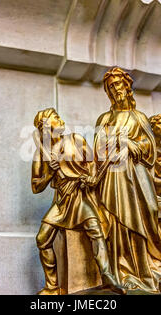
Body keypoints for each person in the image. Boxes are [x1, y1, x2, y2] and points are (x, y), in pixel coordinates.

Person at [93, 68, 161, 292]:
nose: (115, 89)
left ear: (127, 86)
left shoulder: (138, 117)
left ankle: (150, 265)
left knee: (148, 212)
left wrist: (133, 145)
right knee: (119, 221)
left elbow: (150, 149)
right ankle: (125, 270)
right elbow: (98, 150)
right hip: (114, 177)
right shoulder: (104, 119)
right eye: (110, 87)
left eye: (118, 84)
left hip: (139, 179)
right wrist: (116, 144)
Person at [32, 108, 123, 295]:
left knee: (95, 230)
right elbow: (35, 187)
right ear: (47, 126)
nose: (60, 118)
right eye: (55, 117)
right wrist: (49, 173)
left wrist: (89, 177)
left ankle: (108, 277)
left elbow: (91, 165)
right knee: (42, 239)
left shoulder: (75, 139)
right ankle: (52, 286)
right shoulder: (41, 153)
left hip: (80, 195)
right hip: (61, 201)